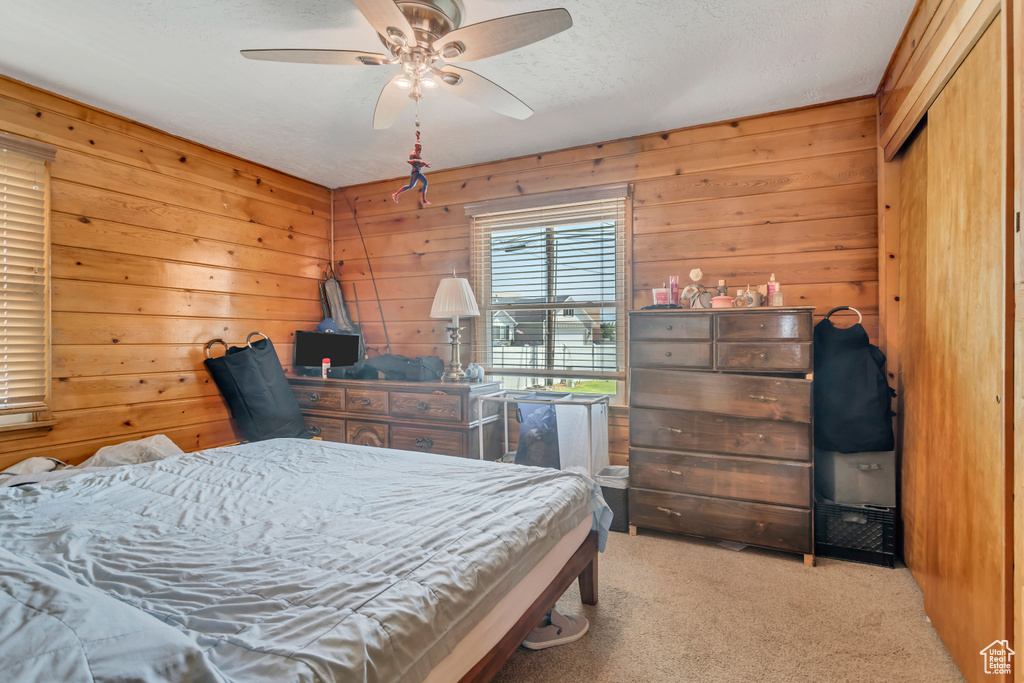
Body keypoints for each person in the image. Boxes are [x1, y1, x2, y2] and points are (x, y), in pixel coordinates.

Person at [392, 131, 430, 204]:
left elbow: (419, 164)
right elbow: (409, 161)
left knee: (425, 182)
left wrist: (418, 136)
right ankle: (396, 194)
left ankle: (424, 199)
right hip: (415, 172)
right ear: (416, 147)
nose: (420, 150)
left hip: (418, 171)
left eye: (420, 148)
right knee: (411, 186)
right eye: (419, 148)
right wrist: (420, 162)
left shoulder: (418, 152)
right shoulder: (413, 154)